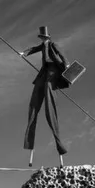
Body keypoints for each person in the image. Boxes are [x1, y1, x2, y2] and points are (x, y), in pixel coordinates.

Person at [19, 26, 70, 168]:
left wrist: (66, 63)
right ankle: (30, 144)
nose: (43, 39)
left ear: (48, 37)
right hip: (44, 73)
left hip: (53, 71)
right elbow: (34, 49)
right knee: (34, 103)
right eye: (42, 38)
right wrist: (25, 52)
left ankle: (59, 145)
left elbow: (61, 54)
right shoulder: (42, 46)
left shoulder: (53, 45)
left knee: (49, 102)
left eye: (44, 38)